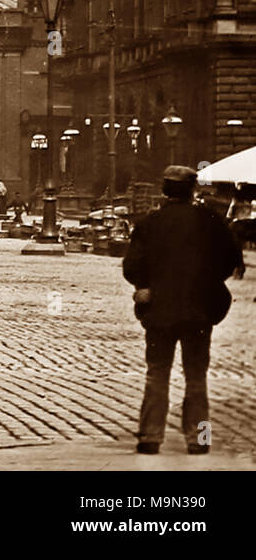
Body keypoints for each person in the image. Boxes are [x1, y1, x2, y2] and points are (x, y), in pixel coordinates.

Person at [122, 165, 244, 456]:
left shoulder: (150, 223)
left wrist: (146, 285)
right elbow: (231, 260)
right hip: (198, 311)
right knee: (197, 378)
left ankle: (150, 437)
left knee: (157, 374)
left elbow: (131, 266)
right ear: (192, 190)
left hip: (159, 311)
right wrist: (208, 282)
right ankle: (199, 439)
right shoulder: (210, 221)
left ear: (165, 190)